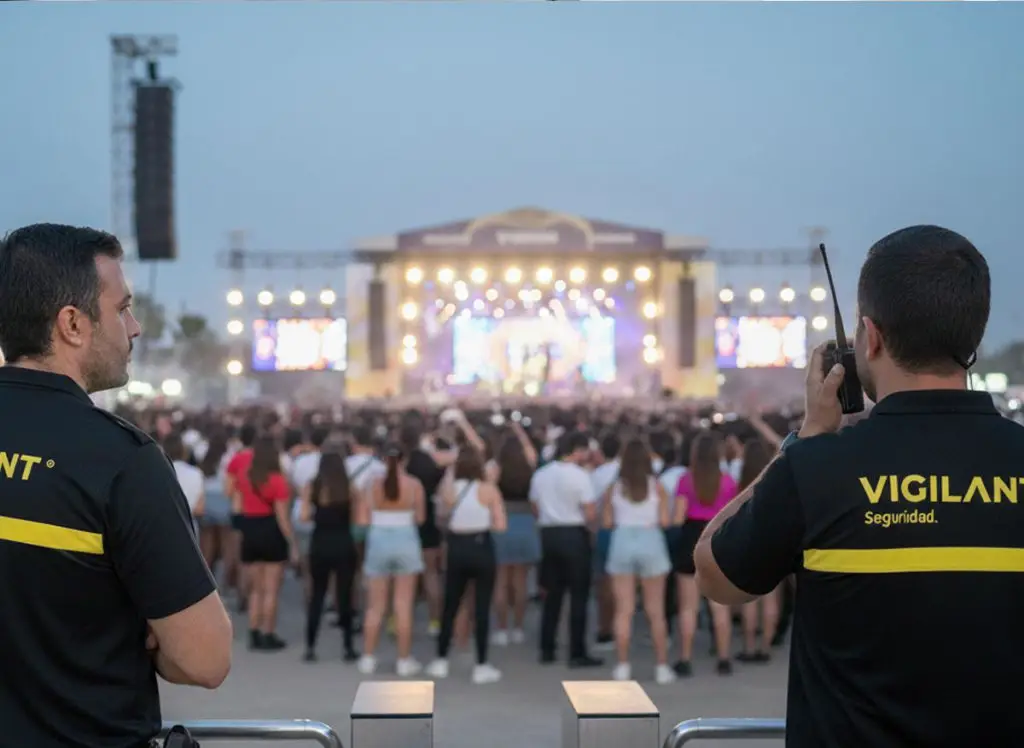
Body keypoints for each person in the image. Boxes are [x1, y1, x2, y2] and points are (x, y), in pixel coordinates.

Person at [694, 225, 1019, 748]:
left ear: (869, 337)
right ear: (972, 338)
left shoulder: (816, 467)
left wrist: (806, 437)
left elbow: (715, 575)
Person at [0, 224, 231, 748]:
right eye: (123, 308)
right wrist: (141, 628)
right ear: (72, 324)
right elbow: (205, 658)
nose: (135, 327)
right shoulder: (122, 461)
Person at [426, 446, 508, 684]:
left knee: (451, 604)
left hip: (457, 547)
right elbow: (500, 525)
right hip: (481, 546)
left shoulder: (450, 489)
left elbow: (441, 517)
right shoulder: (489, 489)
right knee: (481, 606)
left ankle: (441, 659)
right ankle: (481, 664)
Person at [602, 438, 674, 684]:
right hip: (651, 539)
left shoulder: (614, 488)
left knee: (624, 610)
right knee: (656, 610)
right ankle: (661, 667)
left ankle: (622, 666)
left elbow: (606, 522)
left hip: (622, 540)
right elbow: (665, 521)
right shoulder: (657, 486)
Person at [530, 431, 602, 668]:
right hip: (574, 533)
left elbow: (535, 506)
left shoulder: (541, 474)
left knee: (552, 594)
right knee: (579, 595)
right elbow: (589, 512)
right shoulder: (580, 476)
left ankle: (547, 648)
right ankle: (576, 651)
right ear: (577, 450)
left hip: (549, 534)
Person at [356, 443, 426, 676]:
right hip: (406, 539)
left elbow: (362, 520)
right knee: (403, 604)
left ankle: (368, 657)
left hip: (378, 540)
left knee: (375, 606)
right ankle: (404, 660)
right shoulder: (414, 485)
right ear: (404, 460)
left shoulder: (371, 485)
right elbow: (421, 518)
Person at [672, 431, 738, 675]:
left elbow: (677, 518)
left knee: (688, 606)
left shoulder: (685, 480)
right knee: (719, 605)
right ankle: (724, 658)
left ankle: (685, 658)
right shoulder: (728, 481)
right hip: (717, 538)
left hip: (691, 538)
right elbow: (733, 516)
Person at [235, 435, 295, 651]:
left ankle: (253, 631)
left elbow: (238, 506)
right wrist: (292, 543)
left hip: (250, 530)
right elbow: (282, 517)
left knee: (256, 589)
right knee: (271, 590)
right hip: (271, 531)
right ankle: (268, 632)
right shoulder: (278, 480)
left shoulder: (244, 477)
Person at [300, 449, 360, 662]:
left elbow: (303, 515)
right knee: (345, 595)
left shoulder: (312, 486)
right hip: (343, 542)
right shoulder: (349, 487)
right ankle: (348, 646)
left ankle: (310, 646)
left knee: (317, 594)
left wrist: (319, 515)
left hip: (320, 542)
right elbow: (358, 517)